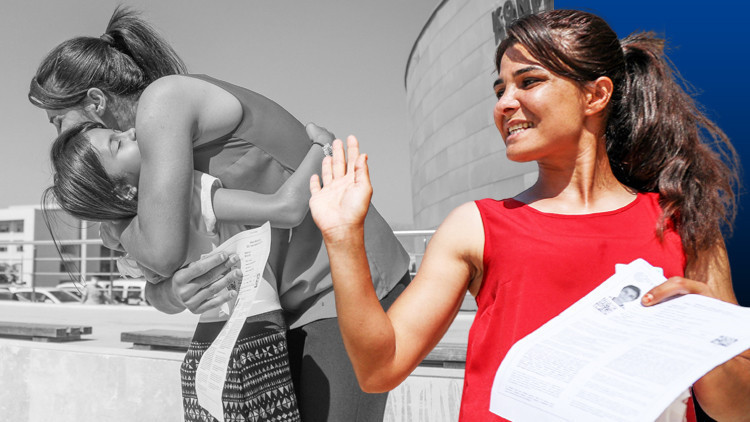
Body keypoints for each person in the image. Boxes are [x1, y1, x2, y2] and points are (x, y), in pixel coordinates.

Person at [307, 9, 749, 422]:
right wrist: (343, 237)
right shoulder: (474, 226)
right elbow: (380, 369)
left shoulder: (683, 223)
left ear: (596, 94)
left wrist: (702, 332)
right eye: (500, 89)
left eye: (529, 81)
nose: (505, 103)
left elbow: (735, 409)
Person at [30, 7, 410, 421]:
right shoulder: (143, 166)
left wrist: (114, 224)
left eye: (57, 121)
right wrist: (173, 292)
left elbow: (161, 254)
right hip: (286, 303)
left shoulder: (165, 102)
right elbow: (159, 283)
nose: (59, 137)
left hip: (346, 281)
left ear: (95, 102)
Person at [44, 121, 323, 421]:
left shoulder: (134, 234)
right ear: (124, 190)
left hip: (205, 348)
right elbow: (286, 209)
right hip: (251, 335)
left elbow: (148, 281)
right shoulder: (185, 194)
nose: (131, 132)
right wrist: (323, 147)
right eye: (118, 143)